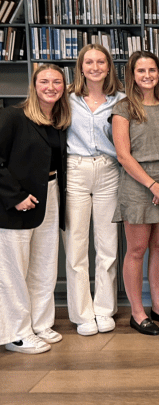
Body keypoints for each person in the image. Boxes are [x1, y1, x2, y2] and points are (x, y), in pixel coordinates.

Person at [0, 64, 69, 354]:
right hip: (17, 202)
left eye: (57, 82)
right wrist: (14, 196)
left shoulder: (57, 120)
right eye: (44, 81)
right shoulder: (14, 116)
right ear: (34, 84)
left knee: (44, 263)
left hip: (50, 193)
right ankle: (16, 333)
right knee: (14, 269)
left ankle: (39, 323)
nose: (51, 87)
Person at [112, 51, 159, 336]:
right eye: (141, 71)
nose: (147, 75)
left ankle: (158, 306)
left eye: (152, 70)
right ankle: (137, 313)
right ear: (132, 75)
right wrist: (153, 186)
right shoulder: (123, 108)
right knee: (137, 250)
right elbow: (123, 156)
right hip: (137, 184)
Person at [63, 44, 125, 337]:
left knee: (107, 245)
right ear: (81, 66)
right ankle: (82, 313)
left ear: (109, 66)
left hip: (109, 171)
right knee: (76, 245)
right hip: (75, 170)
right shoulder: (66, 97)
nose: (95, 67)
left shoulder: (121, 100)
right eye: (89, 62)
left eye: (101, 61)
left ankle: (103, 309)